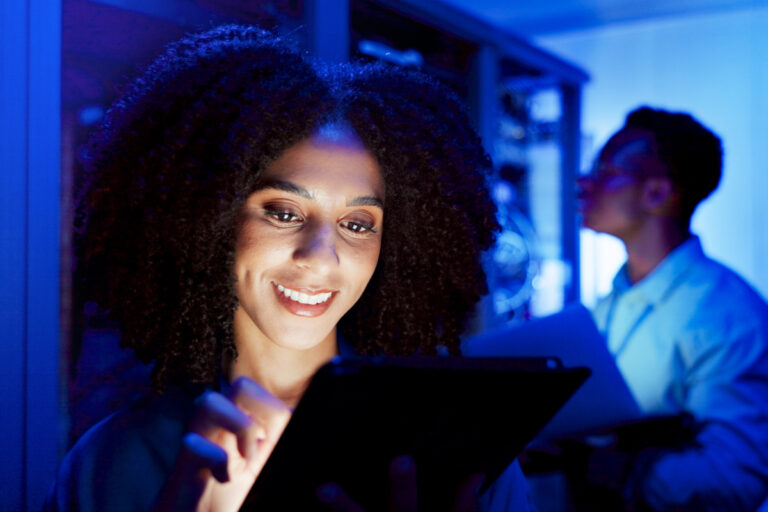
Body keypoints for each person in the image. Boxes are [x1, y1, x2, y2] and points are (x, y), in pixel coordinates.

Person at [45, 25, 531, 511]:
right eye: (283, 213)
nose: (320, 255)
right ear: (208, 217)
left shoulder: (461, 454)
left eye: (358, 225)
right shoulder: (111, 464)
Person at [577, 106, 768, 511]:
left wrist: (603, 466)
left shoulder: (728, 315)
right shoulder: (609, 305)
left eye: (604, 171)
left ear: (657, 193)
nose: (583, 182)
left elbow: (735, 480)